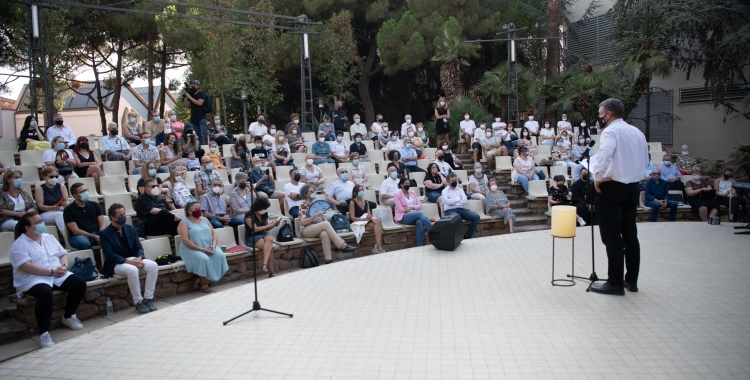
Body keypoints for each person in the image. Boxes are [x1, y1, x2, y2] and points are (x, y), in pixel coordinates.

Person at [589, 98, 649, 295]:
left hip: (612, 188)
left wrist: (597, 176)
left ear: (608, 114)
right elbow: (645, 158)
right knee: (630, 235)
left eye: (600, 114)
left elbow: (604, 154)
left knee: (612, 237)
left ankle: (614, 282)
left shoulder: (611, 131)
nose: (599, 118)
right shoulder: (637, 132)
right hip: (632, 187)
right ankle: (631, 281)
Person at [9, 212, 86, 348]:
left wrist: (64, 267)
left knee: (79, 283)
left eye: (41, 220)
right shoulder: (19, 245)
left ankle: (68, 316)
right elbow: (26, 267)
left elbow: (62, 254)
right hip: (32, 279)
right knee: (45, 293)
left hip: (56, 273)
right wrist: (51, 272)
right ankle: (43, 333)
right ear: (27, 227)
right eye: (37, 222)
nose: (42, 224)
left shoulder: (48, 237)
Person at [100, 203, 159, 314]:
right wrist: (129, 262)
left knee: (153, 265)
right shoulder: (105, 233)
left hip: (133, 259)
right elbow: (110, 254)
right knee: (132, 269)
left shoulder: (130, 228)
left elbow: (138, 247)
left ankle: (148, 298)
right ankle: (138, 302)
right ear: (112, 217)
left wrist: (139, 258)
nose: (124, 217)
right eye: (120, 215)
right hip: (117, 263)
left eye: (124, 214)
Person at [298, 185, 357, 264]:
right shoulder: (302, 206)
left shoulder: (317, 204)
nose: (313, 193)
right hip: (307, 230)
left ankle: (328, 259)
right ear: (305, 194)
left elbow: (324, 221)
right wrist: (315, 216)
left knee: (324, 234)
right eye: (311, 192)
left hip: (318, 228)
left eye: (313, 191)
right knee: (325, 224)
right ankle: (343, 246)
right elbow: (303, 222)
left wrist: (322, 217)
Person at [178, 202, 228, 292]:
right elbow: (185, 240)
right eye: (196, 209)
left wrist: (213, 245)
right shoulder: (184, 222)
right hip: (191, 249)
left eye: (200, 208)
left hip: (208, 246)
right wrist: (201, 249)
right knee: (203, 259)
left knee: (219, 255)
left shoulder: (205, 219)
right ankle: (203, 283)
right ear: (189, 211)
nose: (199, 211)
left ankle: (199, 278)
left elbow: (214, 234)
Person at [244, 196, 280, 277]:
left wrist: (274, 225)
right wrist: (269, 225)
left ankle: (265, 265)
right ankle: (271, 272)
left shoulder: (264, 213)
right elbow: (255, 229)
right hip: (251, 236)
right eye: (263, 208)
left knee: (269, 239)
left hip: (263, 234)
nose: (264, 210)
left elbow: (267, 227)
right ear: (259, 207)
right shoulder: (249, 214)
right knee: (269, 248)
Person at [63, 183, 105, 249]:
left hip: (97, 232)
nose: (86, 193)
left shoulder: (95, 205)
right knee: (83, 242)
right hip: (80, 235)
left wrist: (101, 234)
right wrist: (93, 236)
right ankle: (88, 259)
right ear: (75, 196)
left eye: (86, 190)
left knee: (114, 237)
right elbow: (75, 230)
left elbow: (102, 223)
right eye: (82, 192)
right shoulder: (68, 210)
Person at [393, 178, 433, 246]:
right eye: (406, 184)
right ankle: (433, 231)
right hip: (403, 216)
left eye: (409, 183)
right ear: (401, 185)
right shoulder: (397, 195)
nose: (408, 185)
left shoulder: (412, 193)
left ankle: (419, 245)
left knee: (419, 222)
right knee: (419, 213)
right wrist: (407, 209)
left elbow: (420, 205)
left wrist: (412, 207)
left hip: (413, 214)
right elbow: (400, 209)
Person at [442, 172, 480, 239]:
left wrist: (453, 201)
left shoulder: (460, 190)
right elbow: (447, 202)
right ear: (448, 182)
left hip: (462, 210)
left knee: (476, 217)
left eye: (455, 180)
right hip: (450, 211)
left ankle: (468, 235)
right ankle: (458, 237)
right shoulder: (445, 191)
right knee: (457, 218)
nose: (454, 182)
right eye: (452, 181)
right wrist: (458, 199)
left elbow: (464, 201)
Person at [349, 184, 385, 253]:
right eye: (359, 190)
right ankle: (377, 247)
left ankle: (377, 246)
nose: (361, 191)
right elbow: (352, 218)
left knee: (378, 222)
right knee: (379, 225)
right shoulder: (352, 202)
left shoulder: (366, 202)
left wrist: (369, 217)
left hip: (366, 222)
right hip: (358, 222)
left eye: (362, 190)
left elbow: (369, 215)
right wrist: (362, 219)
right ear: (355, 193)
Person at [35, 167, 68, 234]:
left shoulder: (61, 186)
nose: (54, 178)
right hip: (46, 213)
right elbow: (40, 206)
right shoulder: (40, 188)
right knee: (59, 215)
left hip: (60, 209)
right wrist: (53, 207)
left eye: (56, 176)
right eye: (51, 176)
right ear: (44, 177)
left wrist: (65, 203)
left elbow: (67, 201)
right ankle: (67, 237)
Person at [183, 79, 208, 145]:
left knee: (203, 132)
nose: (193, 86)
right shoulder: (191, 94)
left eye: (195, 85)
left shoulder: (201, 94)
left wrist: (189, 97)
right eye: (193, 84)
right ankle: (200, 145)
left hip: (201, 117)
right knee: (197, 133)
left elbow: (200, 103)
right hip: (194, 117)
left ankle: (205, 145)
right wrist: (183, 101)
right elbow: (189, 105)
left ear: (198, 86)